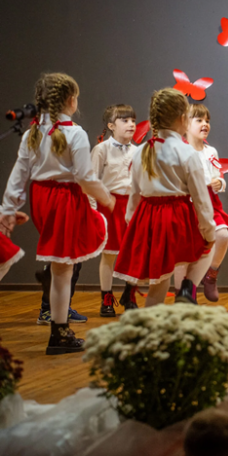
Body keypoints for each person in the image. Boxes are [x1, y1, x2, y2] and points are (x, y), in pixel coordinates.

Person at [1, 72, 114, 354]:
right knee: (63, 269)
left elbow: (19, 175)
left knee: (59, 266)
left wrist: (8, 209)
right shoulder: (75, 133)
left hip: (42, 200)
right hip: (65, 199)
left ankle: (58, 327)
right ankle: (59, 333)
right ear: (71, 100)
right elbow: (85, 176)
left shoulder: (32, 133)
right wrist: (105, 198)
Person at [112, 88, 215, 306]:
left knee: (158, 282)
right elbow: (201, 200)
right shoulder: (187, 153)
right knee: (209, 248)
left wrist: (132, 223)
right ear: (183, 118)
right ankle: (188, 288)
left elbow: (135, 194)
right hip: (177, 219)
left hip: (147, 219)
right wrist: (208, 231)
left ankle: (153, 329)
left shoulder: (141, 151)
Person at [183, 104, 228, 302]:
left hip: (210, 202)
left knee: (222, 235)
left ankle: (211, 275)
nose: (205, 124)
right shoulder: (182, 150)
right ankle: (188, 292)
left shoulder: (211, 151)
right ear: (186, 124)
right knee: (189, 250)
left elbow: (218, 175)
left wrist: (219, 182)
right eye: (199, 120)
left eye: (207, 121)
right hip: (189, 202)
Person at [91, 104, 139, 316]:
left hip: (133, 206)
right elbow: (91, 181)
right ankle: (106, 298)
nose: (131, 124)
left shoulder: (139, 151)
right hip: (109, 205)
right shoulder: (101, 149)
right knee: (110, 255)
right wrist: (93, 211)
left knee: (135, 253)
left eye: (133, 120)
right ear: (111, 125)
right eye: (124, 120)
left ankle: (129, 293)